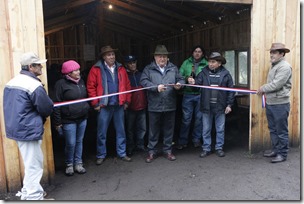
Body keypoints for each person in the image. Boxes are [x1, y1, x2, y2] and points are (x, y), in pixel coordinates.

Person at [3, 52, 54, 200]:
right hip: (28, 129)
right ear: (31, 67)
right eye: (38, 64)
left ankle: (27, 192)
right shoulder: (34, 85)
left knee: (29, 162)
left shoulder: (12, 82)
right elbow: (46, 108)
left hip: (16, 128)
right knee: (34, 165)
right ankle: (34, 197)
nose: (41, 67)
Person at [86, 45, 132, 165]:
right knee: (102, 132)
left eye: (113, 54)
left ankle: (121, 153)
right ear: (103, 57)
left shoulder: (121, 68)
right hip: (104, 106)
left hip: (119, 105)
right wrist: (95, 103)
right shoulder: (96, 69)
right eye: (109, 55)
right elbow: (91, 87)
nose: (112, 56)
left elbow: (127, 85)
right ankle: (101, 154)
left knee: (121, 131)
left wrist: (127, 101)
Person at [140, 45, 185, 163]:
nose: (162, 59)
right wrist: (155, 87)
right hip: (154, 105)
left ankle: (167, 150)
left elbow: (181, 79)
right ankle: (152, 151)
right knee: (153, 129)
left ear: (167, 58)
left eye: (164, 56)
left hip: (170, 104)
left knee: (169, 129)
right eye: (160, 56)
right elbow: (143, 81)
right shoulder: (148, 69)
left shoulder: (173, 68)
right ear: (155, 57)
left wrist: (179, 84)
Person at [188, 52, 235, 158]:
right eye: (209, 61)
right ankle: (206, 148)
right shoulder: (203, 72)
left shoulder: (226, 74)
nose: (210, 64)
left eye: (213, 62)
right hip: (206, 106)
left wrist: (229, 105)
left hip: (221, 107)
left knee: (220, 129)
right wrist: (192, 82)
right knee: (206, 129)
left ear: (219, 63)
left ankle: (219, 148)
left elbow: (231, 91)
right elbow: (196, 85)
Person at [52, 60, 90, 176]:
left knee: (79, 141)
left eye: (78, 69)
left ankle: (78, 163)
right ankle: (69, 164)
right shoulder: (60, 84)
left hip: (82, 118)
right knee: (71, 143)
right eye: (76, 70)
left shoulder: (81, 81)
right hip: (69, 120)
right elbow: (57, 104)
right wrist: (58, 123)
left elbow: (85, 97)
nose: (78, 72)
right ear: (68, 73)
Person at [257, 43, 292, 163]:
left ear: (282, 54)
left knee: (281, 130)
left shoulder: (284, 67)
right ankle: (276, 150)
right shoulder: (275, 65)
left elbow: (277, 84)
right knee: (273, 129)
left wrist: (263, 88)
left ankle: (282, 154)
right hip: (271, 103)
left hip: (280, 104)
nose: (271, 54)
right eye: (271, 52)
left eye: (274, 52)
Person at [176, 45, 208, 150]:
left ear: (202, 53)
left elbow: (208, 78)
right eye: (195, 51)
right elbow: (179, 75)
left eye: (199, 51)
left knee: (199, 119)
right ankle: (182, 140)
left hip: (200, 95)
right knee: (186, 119)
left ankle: (196, 140)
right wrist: (186, 78)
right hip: (188, 94)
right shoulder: (186, 63)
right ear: (192, 53)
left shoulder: (206, 64)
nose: (197, 53)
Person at [124, 55, 148, 156]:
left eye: (134, 62)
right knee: (129, 128)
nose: (132, 64)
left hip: (142, 106)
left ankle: (140, 145)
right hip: (130, 107)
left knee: (142, 127)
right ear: (126, 65)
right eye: (130, 63)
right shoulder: (124, 76)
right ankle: (130, 147)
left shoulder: (141, 74)